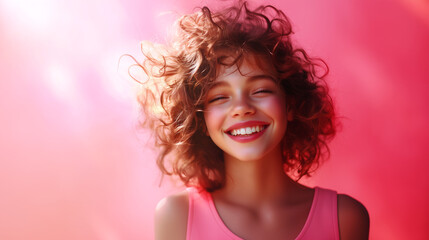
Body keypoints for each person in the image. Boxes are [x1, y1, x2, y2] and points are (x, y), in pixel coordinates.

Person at [133, 1, 369, 239]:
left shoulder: (345, 218)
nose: (242, 108)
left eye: (261, 91)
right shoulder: (178, 216)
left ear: (290, 104)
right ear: (200, 120)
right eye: (219, 97)